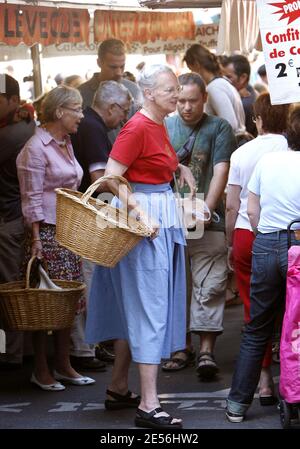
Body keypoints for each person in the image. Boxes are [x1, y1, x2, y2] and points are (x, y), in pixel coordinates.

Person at [85, 64, 195, 429]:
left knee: (140, 304)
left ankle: (119, 387)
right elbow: (110, 178)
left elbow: (152, 163)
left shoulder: (156, 122)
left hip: (153, 215)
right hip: (143, 220)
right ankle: (149, 405)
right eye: (170, 90)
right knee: (150, 306)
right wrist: (138, 213)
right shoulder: (137, 126)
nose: (177, 96)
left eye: (177, 89)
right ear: (148, 93)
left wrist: (178, 168)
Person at [16, 85, 95, 391]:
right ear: (60, 112)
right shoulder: (35, 148)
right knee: (44, 303)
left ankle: (63, 365)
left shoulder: (65, 142)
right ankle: (41, 369)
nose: (81, 115)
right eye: (77, 109)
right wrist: (36, 240)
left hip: (68, 231)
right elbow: (31, 198)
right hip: (46, 235)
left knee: (68, 301)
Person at [226, 105, 300, 423]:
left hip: (267, 243)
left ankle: (237, 404)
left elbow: (251, 209)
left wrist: (265, 236)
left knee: (257, 326)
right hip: (299, 243)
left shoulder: (268, 160)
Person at [163, 72, 236, 378]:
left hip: (210, 221)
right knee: (177, 287)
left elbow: (221, 170)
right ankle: (181, 346)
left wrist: (206, 210)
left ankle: (206, 349)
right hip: (171, 221)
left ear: (204, 99)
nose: (186, 107)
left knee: (211, 284)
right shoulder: (164, 126)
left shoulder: (219, 127)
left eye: (192, 100)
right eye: (180, 101)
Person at [70, 81, 132, 372]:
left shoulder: (92, 124)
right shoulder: (94, 128)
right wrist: (119, 208)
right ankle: (85, 349)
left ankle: (90, 345)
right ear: (112, 107)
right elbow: (100, 175)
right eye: (124, 112)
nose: (123, 118)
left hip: (89, 213)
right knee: (90, 281)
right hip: (92, 214)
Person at [0, 74, 35, 369]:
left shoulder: (12, 133)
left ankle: (11, 354)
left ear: (13, 100)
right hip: (16, 217)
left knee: (9, 287)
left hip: (8, 219)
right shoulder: (24, 123)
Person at [183, 44, 246, 136]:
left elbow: (230, 125)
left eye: (191, 69)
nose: (191, 74)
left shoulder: (214, 88)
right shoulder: (221, 83)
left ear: (196, 65)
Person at [223, 55, 257, 137]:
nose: (223, 81)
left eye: (228, 77)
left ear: (243, 78)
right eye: (222, 76)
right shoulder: (248, 93)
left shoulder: (245, 105)